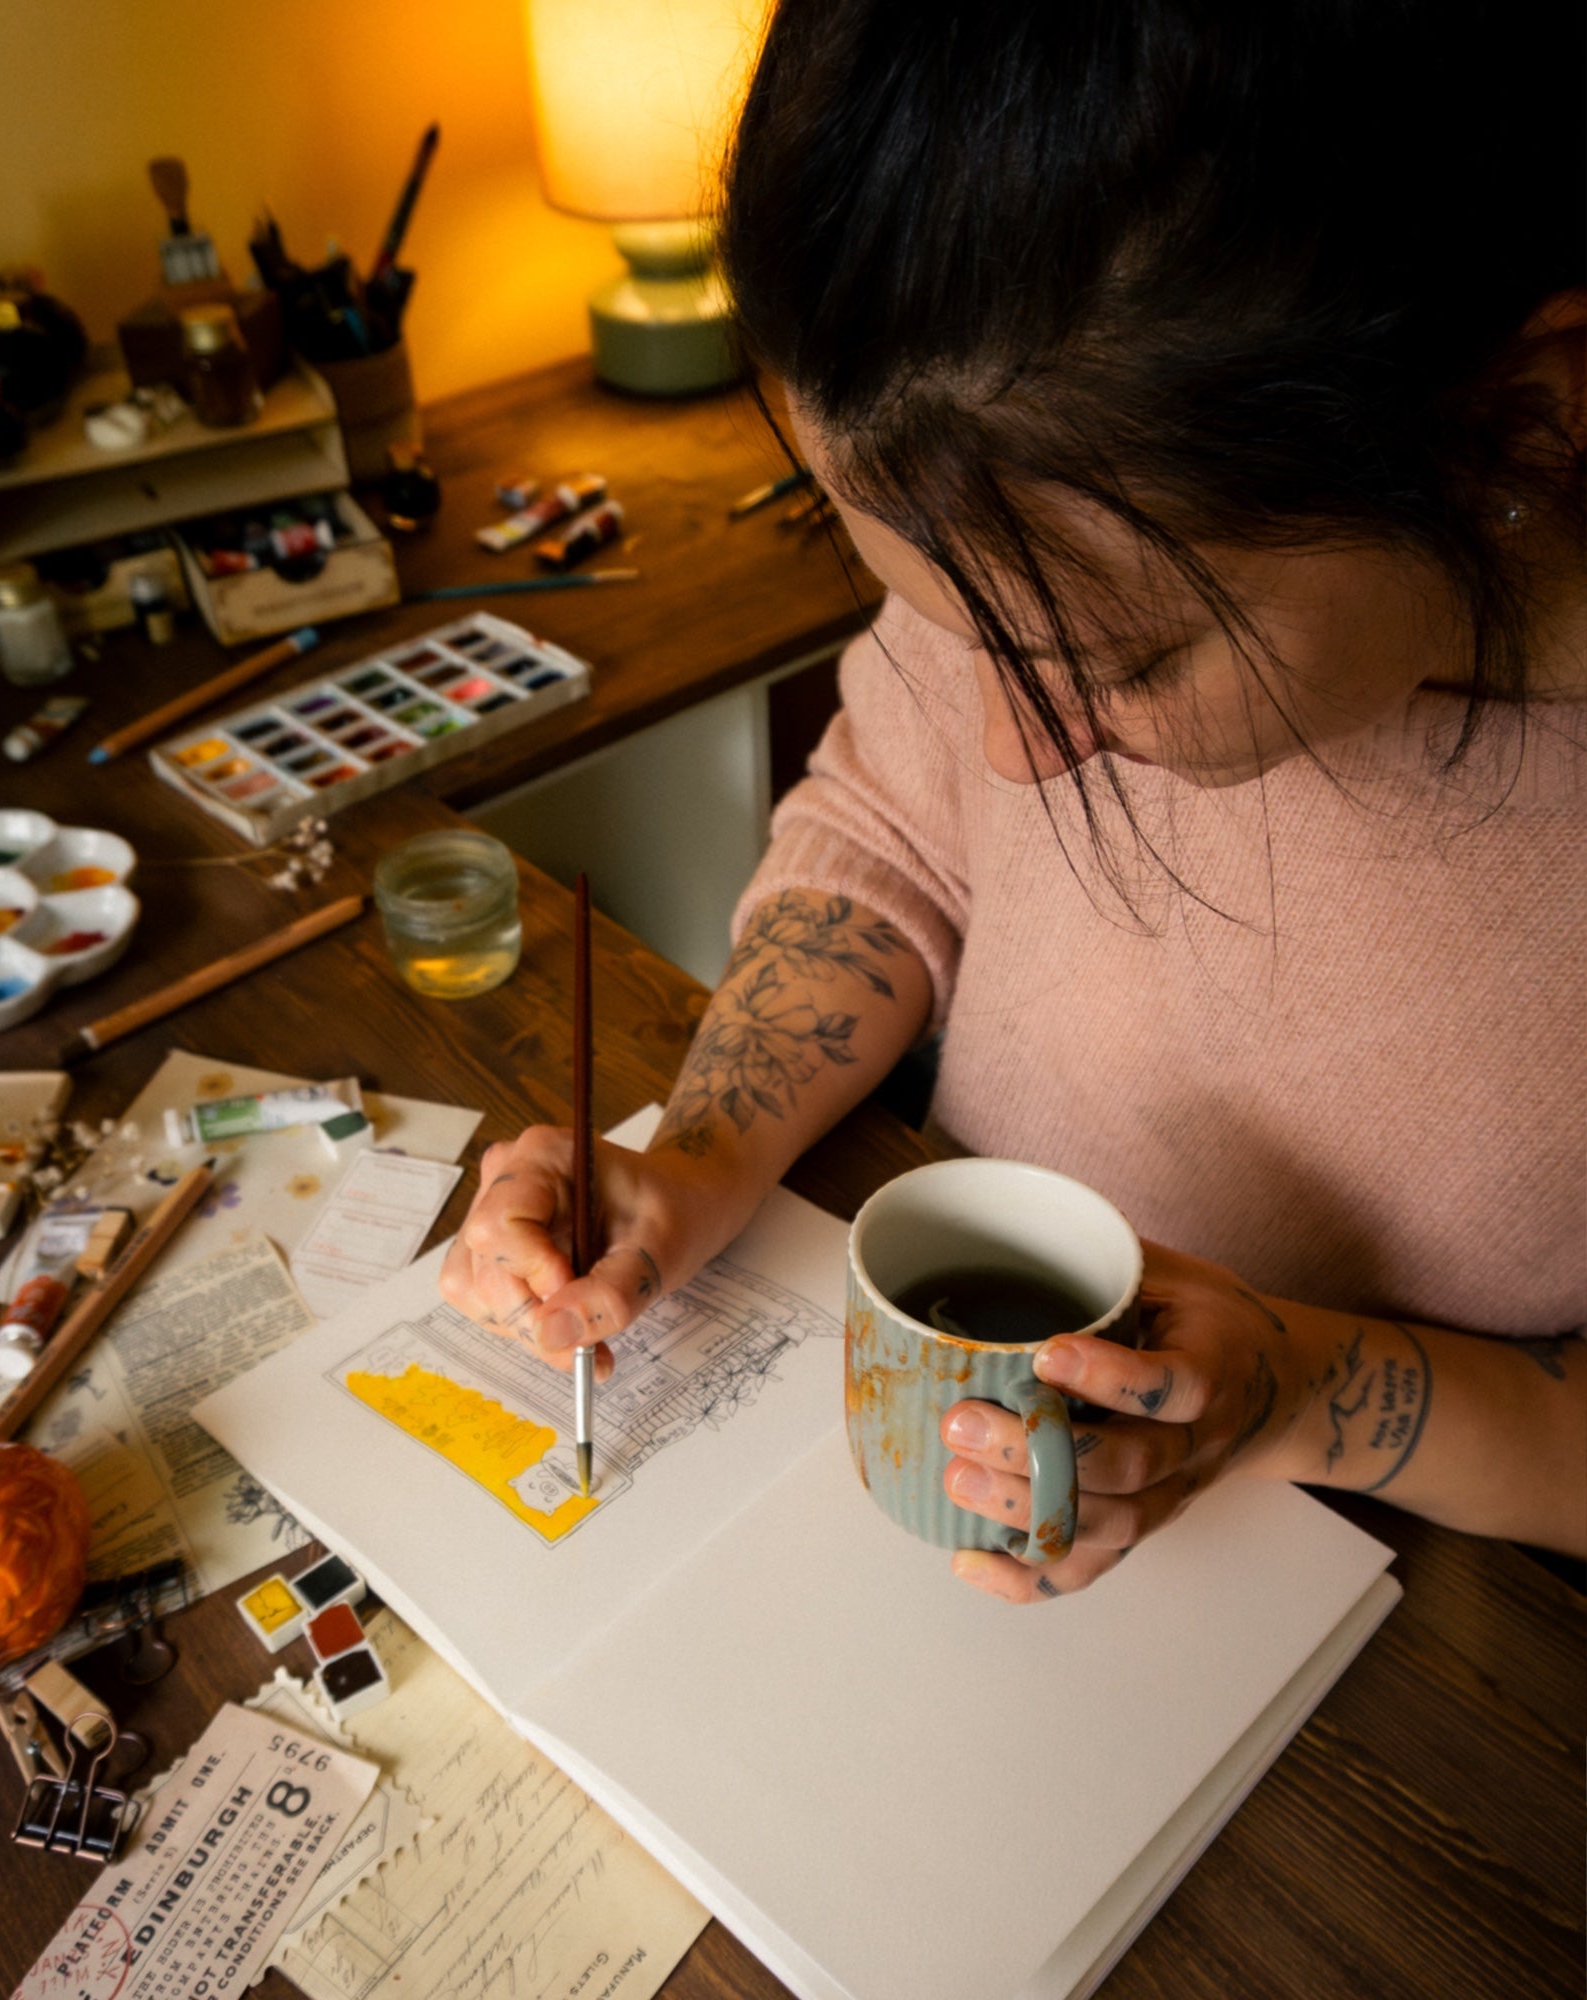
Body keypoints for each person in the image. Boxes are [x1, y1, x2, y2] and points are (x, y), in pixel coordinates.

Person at [442, 0, 1586, 1598]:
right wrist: (694, 1154)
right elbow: (897, 820)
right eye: (945, 627)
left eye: (1120, 658)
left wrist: (1306, 1390)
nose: (1009, 754)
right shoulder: (1027, 499)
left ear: (1518, 421)